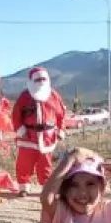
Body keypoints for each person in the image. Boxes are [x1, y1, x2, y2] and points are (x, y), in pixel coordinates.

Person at [12, 66, 67, 196]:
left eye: (44, 79)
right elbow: (16, 114)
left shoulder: (53, 95)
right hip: (28, 136)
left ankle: (46, 187)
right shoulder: (25, 96)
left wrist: (60, 130)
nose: (41, 81)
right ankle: (24, 187)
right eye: (38, 79)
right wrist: (20, 129)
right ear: (31, 81)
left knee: (45, 164)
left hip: (47, 137)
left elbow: (61, 115)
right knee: (24, 163)